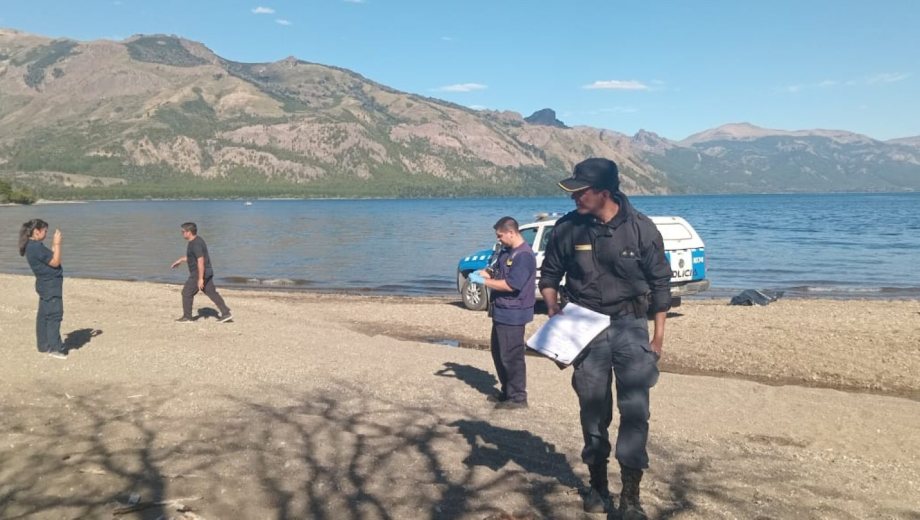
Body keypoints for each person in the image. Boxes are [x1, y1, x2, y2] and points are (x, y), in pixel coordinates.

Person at [539, 158, 671, 518]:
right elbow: (549, 276)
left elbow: (661, 285)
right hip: (586, 328)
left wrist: (658, 338)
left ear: (605, 192)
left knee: (636, 411)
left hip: (631, 326)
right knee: (593, 411)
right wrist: (553, 313)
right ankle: (597, 485)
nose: (574, 197)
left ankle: (630, 498)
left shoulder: (642, 229)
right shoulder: (567, 228)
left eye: (581, 191)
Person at [469, 216, 537, 410]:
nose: (498, 239)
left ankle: (518, 397)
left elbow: (511, 285)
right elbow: (496, 270)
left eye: (500, 236)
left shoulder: (523, 256)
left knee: (511, 356)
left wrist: (484, 282)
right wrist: (484, 273)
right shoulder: (506, 252)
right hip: (501, 311)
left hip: (513, 313)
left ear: (511, 232)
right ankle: (507, 391)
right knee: (499, 353)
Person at [19, 219, 67, 359]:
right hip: (50, 285)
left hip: (44, 284)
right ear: (36, 231)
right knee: (54, 315)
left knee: (44, 314)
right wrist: (57, 244)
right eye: (45, 231)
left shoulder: (32, 246)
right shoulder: (35, 247)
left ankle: (43, 345)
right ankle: (55, 348)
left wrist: (54, 245)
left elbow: (50, 257)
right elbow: (55, 262)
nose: (46, 234)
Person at [170, 222, 232, 323]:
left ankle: (187, 317)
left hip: (199, 273)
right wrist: (181, 260)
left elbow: (200, 260)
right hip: (207, 272)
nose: (182, 233)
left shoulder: (195, 244)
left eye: (183, 232)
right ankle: (226, 313)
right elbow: (192, 257)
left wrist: (200, 278)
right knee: (212, 293)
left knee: (186, 292)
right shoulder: (197, 240)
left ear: (189, 232)